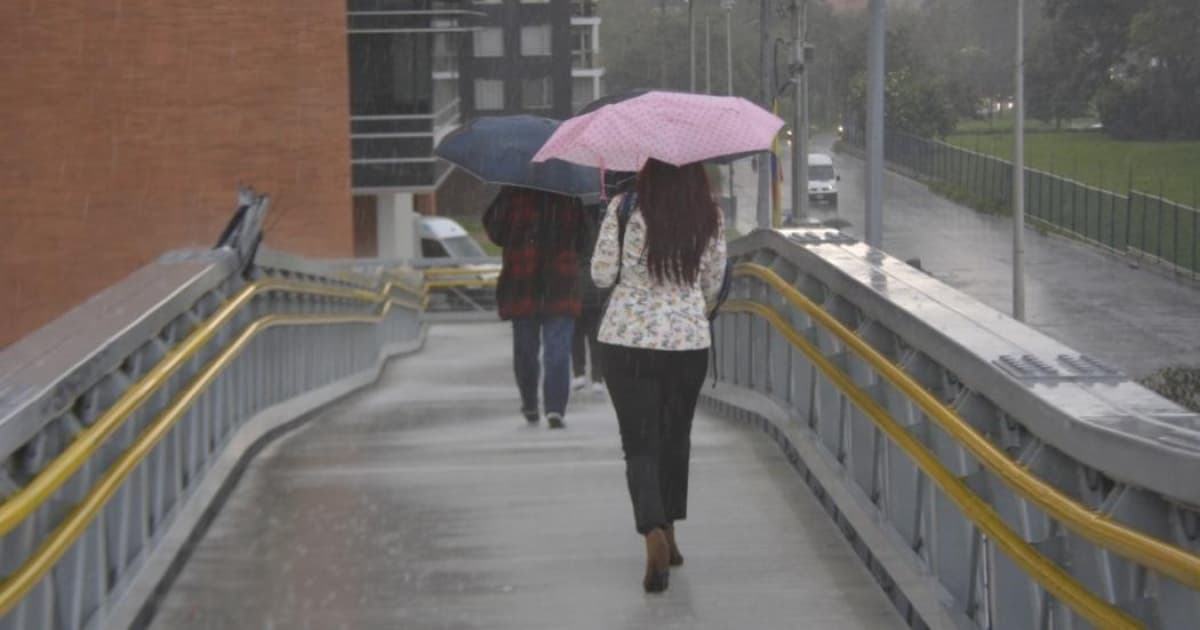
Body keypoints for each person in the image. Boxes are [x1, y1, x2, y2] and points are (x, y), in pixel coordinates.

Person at [590, 159, 726, 593]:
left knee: (638, 441)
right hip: (686, 342)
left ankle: (651, 530)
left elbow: (600, 274)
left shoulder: (624, 206)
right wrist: (688, 307)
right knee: (674, 436)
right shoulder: (709, 213)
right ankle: (670, 531)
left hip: (626, 340)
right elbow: (714, 280)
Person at [484, 186, 587, 429]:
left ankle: (536, 404)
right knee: (554, 350)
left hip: (524, 285)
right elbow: (584, 239)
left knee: (528, 351)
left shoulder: (512, 194)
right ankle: (552, 408)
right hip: (558, 285)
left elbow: (495, 231)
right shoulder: (569, 196)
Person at [571, 202, 608, 393]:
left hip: (575, 287)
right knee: (595, 335)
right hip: (597, 288)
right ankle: (597, 378)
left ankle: (578, 373)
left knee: (576, 333)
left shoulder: (573, 227)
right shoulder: (603, 226)